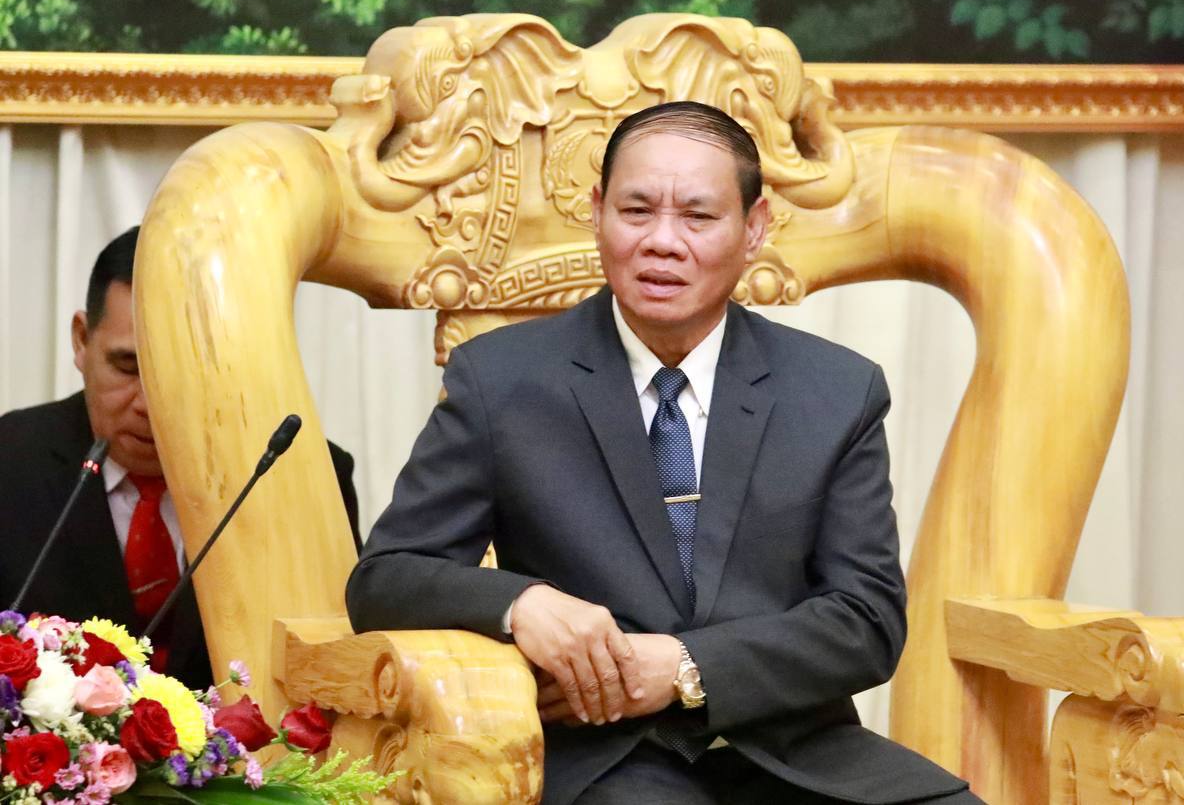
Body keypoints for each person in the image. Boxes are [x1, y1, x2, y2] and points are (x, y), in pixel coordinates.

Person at [347, 102, 977, 804]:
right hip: (604, 758)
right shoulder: (501, 380)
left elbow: (867, 620)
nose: (662, 242)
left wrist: (684, 666)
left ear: (754, 228)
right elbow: (386, 578)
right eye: (636, 211)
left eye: (698, 217)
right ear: (597, 213)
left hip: (793, 752)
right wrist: (521, 603)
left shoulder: (836, 391)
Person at [0, 227, 362, 690]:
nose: (150, 404)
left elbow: (335, 665)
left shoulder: (301, 476)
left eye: (181, 370)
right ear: (81, 340)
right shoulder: (11, 461)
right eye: (127, 367)